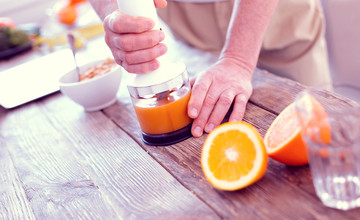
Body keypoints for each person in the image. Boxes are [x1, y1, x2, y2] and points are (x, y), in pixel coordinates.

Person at [89, 0, 332, 138]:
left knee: (316, 133)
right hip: (188, 18)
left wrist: (238, 58)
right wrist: (117, 14)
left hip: (276, 15)